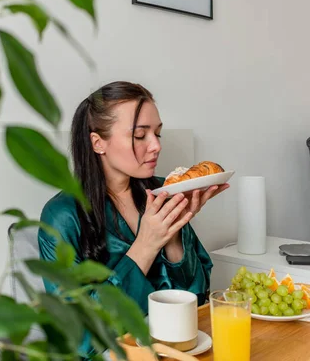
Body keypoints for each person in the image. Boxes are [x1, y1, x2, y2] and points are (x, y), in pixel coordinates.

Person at [38, 81, 229, 357]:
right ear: (98, 142)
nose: (155, 146)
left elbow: (196, 300)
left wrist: (174, 236)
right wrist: (145, 247)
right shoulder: (63, 216)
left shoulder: (163, 193)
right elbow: (80, 337)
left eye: (158, 134)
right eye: (140, 135)